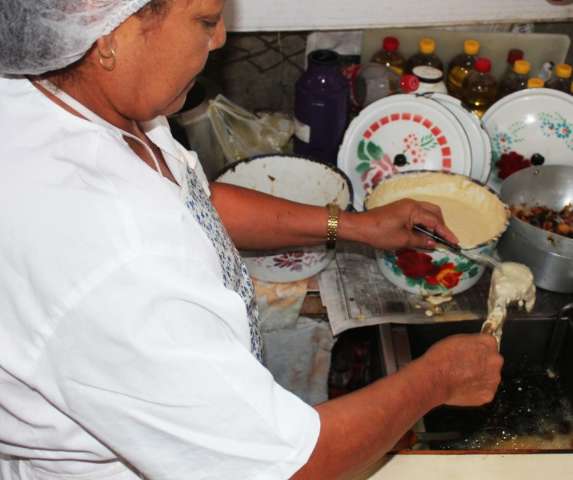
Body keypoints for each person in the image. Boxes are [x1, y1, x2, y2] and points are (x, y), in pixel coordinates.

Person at [0, 1, 503, 479]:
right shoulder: (114, 257)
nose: (219, 39)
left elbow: (192, 201)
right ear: (109, 30)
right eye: (206, 20)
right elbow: (288, 468)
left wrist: (351, 225)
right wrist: (438, 379)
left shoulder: (68, 99)